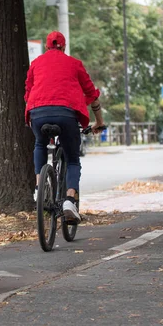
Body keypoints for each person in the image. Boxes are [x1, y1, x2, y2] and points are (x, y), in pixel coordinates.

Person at [24, 31, 105, 224]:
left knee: (40, 144)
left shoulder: (36, 63)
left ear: (46, 47)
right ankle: (69, 199)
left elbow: (28, 92)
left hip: (38, 111)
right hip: (66, 113)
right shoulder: (74, 64)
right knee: (72, 159)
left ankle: (39, 187)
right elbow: (92, 94)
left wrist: (34, 113)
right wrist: (99, 122)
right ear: (64, 46)